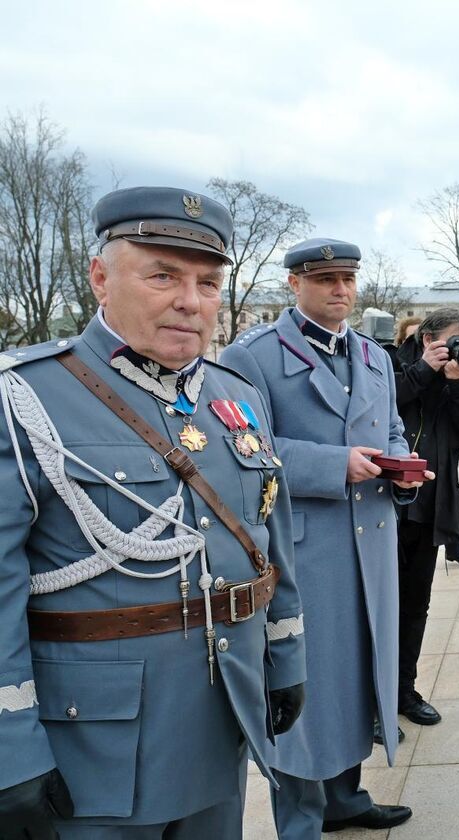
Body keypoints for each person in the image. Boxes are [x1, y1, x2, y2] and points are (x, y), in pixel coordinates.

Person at [0, 186, 305, 839]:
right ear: (100, 277)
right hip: (89, 752)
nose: (189, 301)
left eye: (207, 282)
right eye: (163, 275)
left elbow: (267, 540)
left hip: (222, 720)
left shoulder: (237, 397)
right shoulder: (26, 398)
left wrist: (288, 656)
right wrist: (9, 753)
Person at [221, 237, 426, 837]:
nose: (341, 290)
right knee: (306, 684)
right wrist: (332, 463)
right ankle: (303, 817)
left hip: (371, 540)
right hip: (305, 547)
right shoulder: (251, 356)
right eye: (326, 279)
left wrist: (402, 466)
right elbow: (243, 449)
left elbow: (389, 426)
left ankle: (346, 797)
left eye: (348, 279)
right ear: (295, 285)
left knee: (360, 673)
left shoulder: (372, 354)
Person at [390, 306, 459, 725]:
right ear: (428, 340)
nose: (456, 350)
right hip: (385, 506)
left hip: (430, 508)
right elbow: (379, 406)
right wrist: (424, 373)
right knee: (379, 608)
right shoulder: (387, 361)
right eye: (452, 341)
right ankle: (371, 699)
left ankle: (403, 692)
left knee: (415, 608)